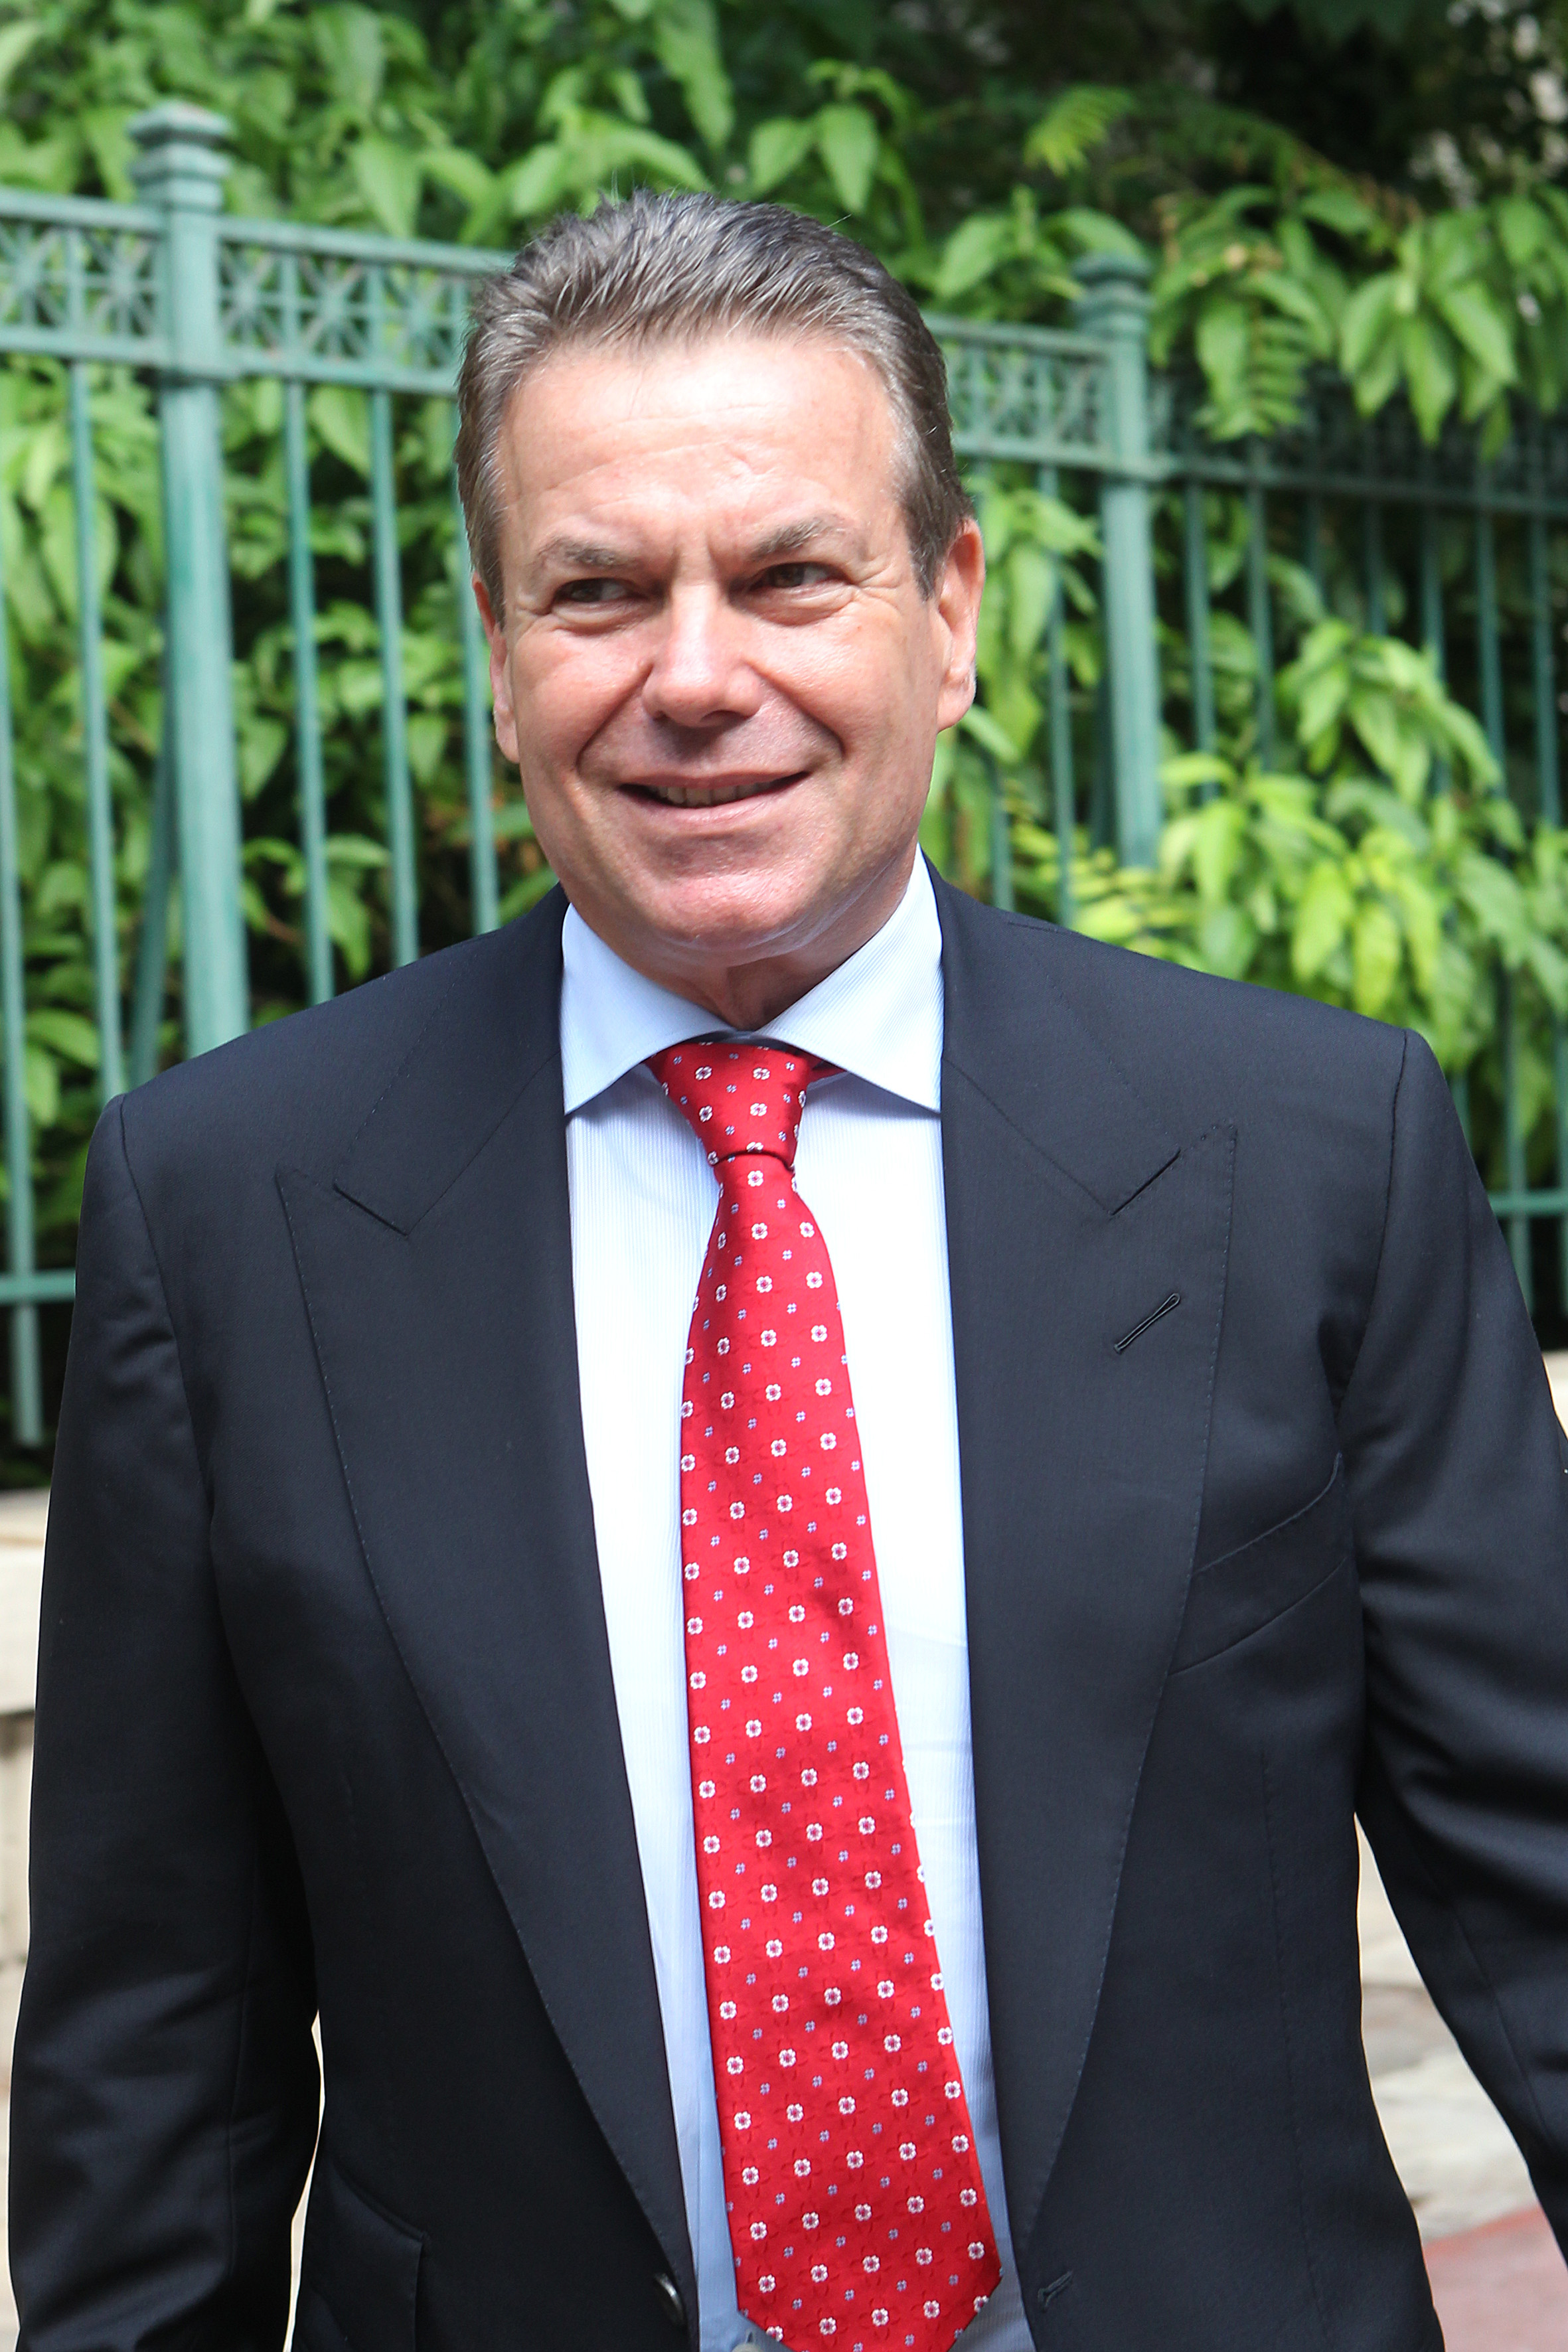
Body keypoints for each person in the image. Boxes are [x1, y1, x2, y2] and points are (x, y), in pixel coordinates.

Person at [11, 189, 1568, 2352]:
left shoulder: (1308, 1150)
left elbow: (1541, 1884)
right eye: (595, 592)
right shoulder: (227, 1206)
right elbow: (152, 2053)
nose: (692, 678)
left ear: (948, 614)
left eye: (787, 577)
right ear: (497, 652)